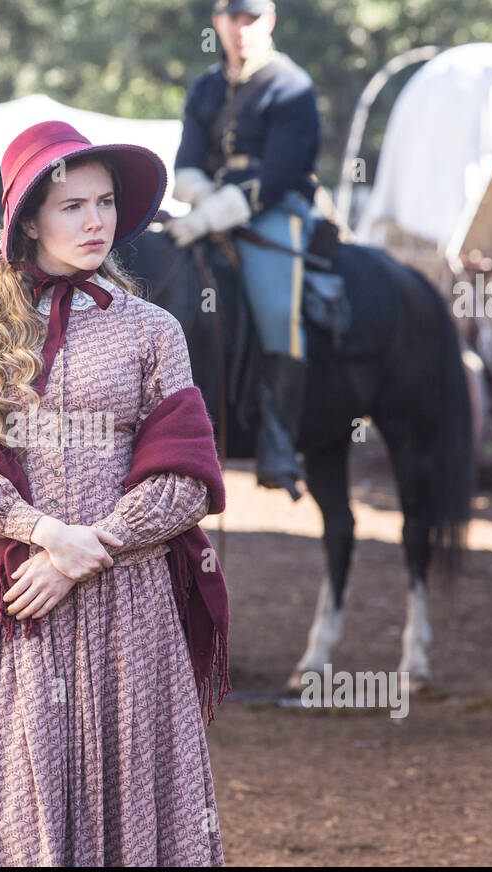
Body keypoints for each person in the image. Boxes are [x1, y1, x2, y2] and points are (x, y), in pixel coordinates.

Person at [0, 120, 231, 866]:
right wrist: (43, 535)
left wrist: (94, 548)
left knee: (130, 795)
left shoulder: (154, 330)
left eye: (106, 203)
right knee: (15, 800)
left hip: (129, 599)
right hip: (18, 595)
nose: (95, 222)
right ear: (29, 219)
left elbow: (186, 474)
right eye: (72, 206)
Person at [166, 0, 320, 499]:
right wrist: (206, 204)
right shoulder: (206, 87)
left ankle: (279, 439)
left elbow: (276, 178)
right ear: (218, 23)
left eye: (252, 18)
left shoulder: (290, 85)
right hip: (213, 210)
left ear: (269, 21)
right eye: (233, 18)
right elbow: (185, 162)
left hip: (273, 213)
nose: (242, 28)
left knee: (278, 310)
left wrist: (212, 216)